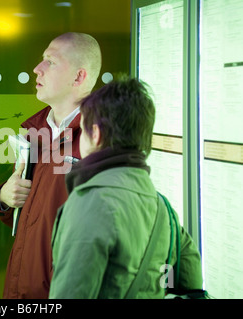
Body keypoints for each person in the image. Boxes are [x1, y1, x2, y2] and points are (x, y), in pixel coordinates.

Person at [49, 76, 204, 298]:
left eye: (82, 131)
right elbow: (190, 275)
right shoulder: (163, 207)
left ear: (96, 133)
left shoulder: (91, 202)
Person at [0, 32, 102, 299]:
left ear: (78, 77)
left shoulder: (99, 138)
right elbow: (34, 217)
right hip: (20, 287)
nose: (36, 69)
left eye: (50, 61)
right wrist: (5, 198)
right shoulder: (34, 131)